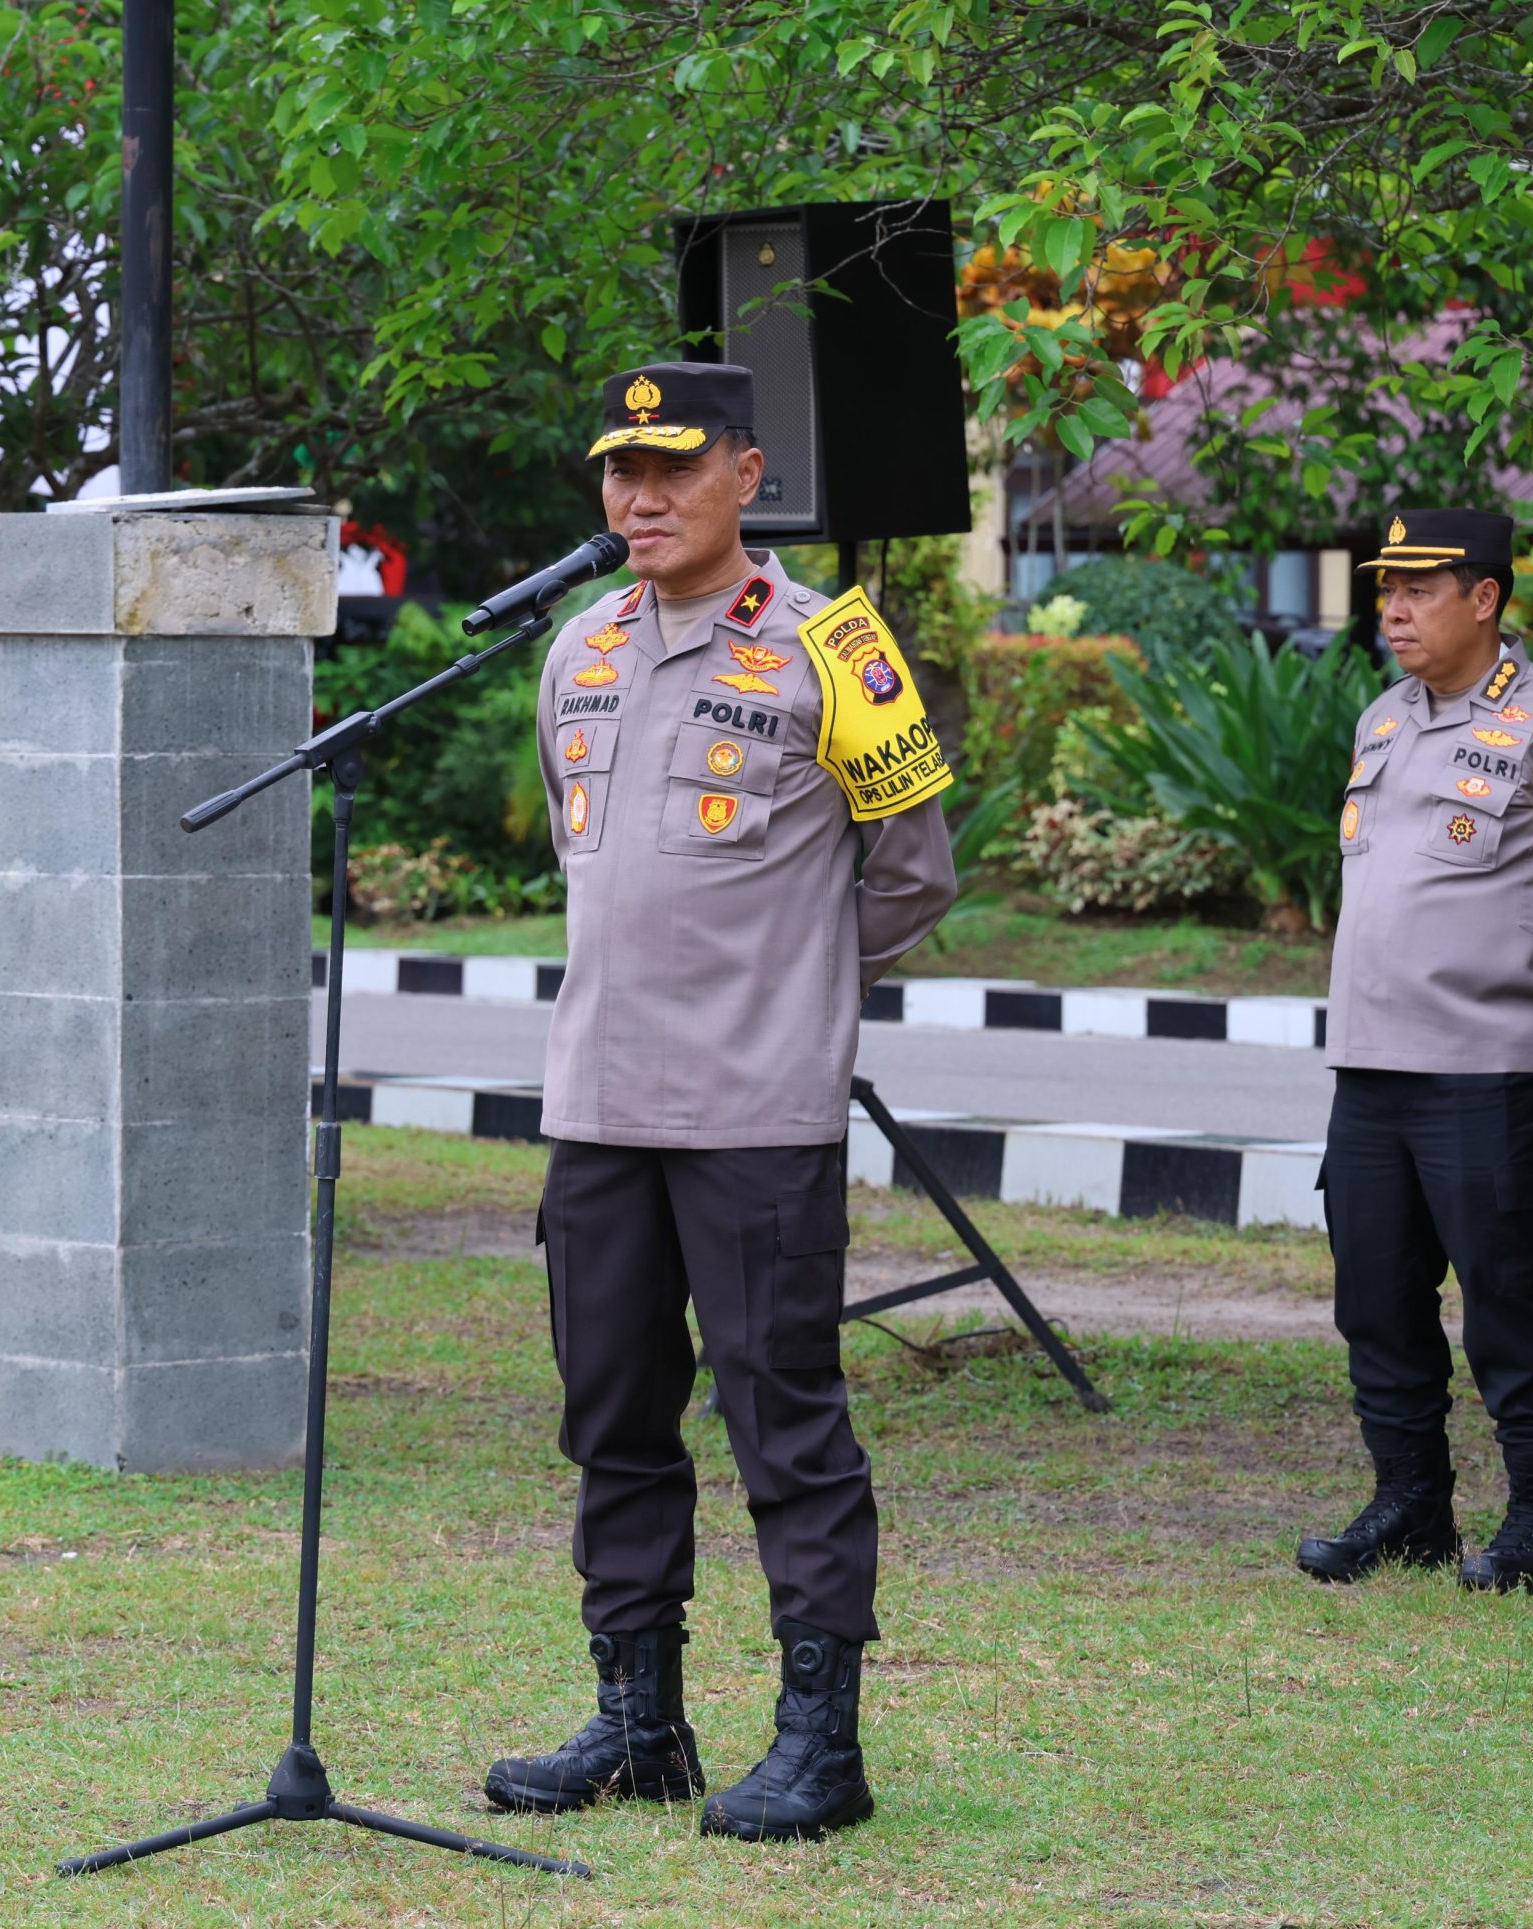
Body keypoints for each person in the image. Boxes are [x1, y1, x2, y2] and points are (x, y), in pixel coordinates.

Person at [482, 361, 957, 1842]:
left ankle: (822, 1743)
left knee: (784, 1421)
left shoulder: (839, 650)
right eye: (621, 472)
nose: (638, 498)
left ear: (747, 477)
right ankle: (642, 1722)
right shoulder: (581, 647)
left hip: (756, 1114)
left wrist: (787, 975)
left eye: (672, 469)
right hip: (600, 1111)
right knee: (613, 1417)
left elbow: (915, 876)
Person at [1297, 508, 1533, 1592]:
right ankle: (1410, 1506)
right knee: (1376, 1297)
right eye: (1384, 591)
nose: (1391, 610)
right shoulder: (1382, 720)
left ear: (1485, 598)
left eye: (1418, 590)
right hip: (1370, 1068)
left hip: (1491, 1069)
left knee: (1506, 1301)